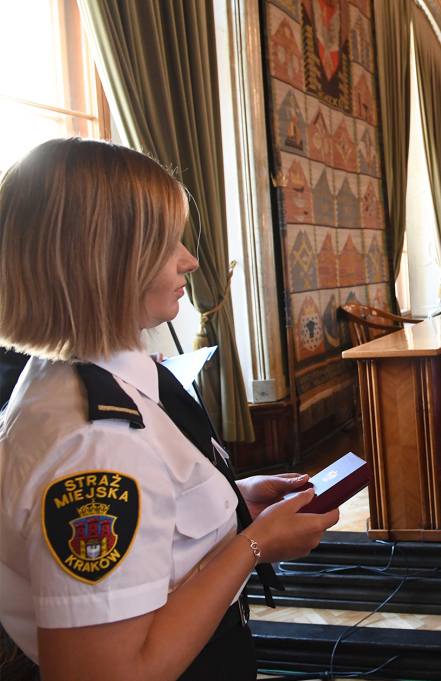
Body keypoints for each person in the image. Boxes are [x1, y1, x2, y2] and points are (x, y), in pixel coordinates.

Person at [0, 139, 339, 681]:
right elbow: (109, 672)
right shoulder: (96, 444)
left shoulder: (86, 374)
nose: (190, 259)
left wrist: (232, 500)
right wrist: (254, 545)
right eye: (165, 244)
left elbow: (152, 511)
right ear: (105, 261)